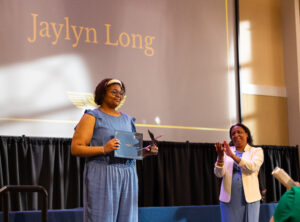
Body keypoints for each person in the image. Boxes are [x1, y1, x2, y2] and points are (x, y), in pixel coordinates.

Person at [71, 78, 158, 222]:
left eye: (121, 93)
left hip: (128, 175)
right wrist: (104, 148)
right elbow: (76, 148)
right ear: (102, 93)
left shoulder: (128, 119)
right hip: (103, 174)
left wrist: (145, 151)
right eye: (114, 92)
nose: (119, 95)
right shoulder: (92, 117)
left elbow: (127, 152)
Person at [214, 123, 264, 222]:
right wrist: (220, 157)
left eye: (239, 132)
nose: (236, 135)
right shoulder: (225, 151)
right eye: (233, 134)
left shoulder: (256, 151)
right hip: (229, 200)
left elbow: (252, 167)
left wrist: (232, 156)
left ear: (246, 134)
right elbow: (219, 174)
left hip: (250, 199)